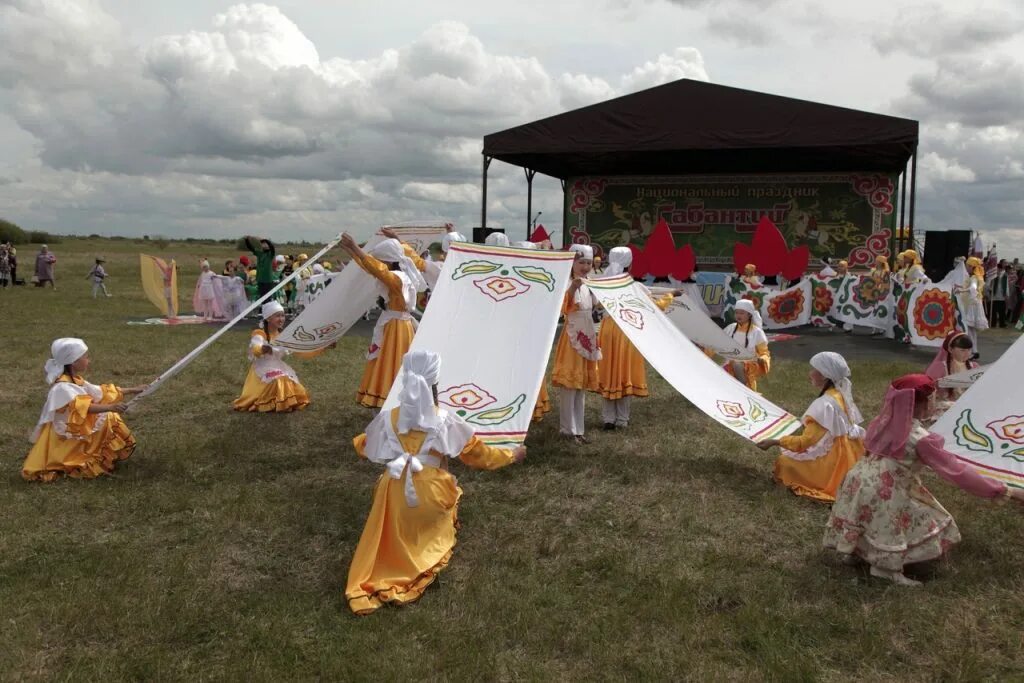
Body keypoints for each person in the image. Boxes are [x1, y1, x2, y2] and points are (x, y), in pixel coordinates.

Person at [345, 350, 526, 615]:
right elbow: (480, 456)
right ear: (435, 382)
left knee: (391, 510)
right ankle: (418, 549)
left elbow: (365, 446)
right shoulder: (443, 420)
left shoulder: (388, 419)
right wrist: (512, 455)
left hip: (393, 491)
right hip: (430, 494)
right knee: (443, 492)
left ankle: (391, 555)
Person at [823, 374, 1024, 586]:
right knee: (901, 522)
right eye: (932, 398)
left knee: (864, 516)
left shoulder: (884, 422)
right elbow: (957, 471)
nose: (934, 402)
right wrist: (1005, 490)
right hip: (887, 488)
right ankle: (885, 568)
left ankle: (855, 550)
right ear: (923, 402)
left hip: (859, 480)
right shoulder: (920, 439)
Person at [22, 338, 147, 481]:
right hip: (66, 435)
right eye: (86, 357)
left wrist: (132, 389)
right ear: (74, 361)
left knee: (108, 417)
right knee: (108, 417)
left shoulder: (75, 380)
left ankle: (93, 457)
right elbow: (85, 407)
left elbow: (99, 392)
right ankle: (78, 461)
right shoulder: (63, 387)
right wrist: (110, 407)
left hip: (73, 428)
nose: (89, 360)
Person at [757, 352, 865, 502]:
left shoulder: (824, 404)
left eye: (814, 370)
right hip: (847, 453)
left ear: (825, 375)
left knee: (784, 464)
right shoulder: (839, 394)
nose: (810, 374)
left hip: (833, 461)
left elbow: (804, 443)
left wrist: (775, 441)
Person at [339, 233, 426, 409]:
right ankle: (388, 393)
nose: (380, 263)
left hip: (397, 327)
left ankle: (390, 394)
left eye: (382, 260)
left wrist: (355, 247)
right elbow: (371, 268)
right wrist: (349, 249)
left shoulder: (398, 279)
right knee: (388, 359)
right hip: (395, 325)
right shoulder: (397, 275)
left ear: (389, 260)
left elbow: (377, 269)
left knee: (391, 360)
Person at [595, 246, 676, 431]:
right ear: (630, 264)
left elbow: (597, 305)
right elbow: (654, 307)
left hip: (607, 330)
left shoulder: (604, 283)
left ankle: (608, 418)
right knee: (625, 372)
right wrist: (670, 295)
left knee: (608, 371)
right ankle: (622, 419)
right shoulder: (635, 286)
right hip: (628, 332)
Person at [233, 302, 331, 412]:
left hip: (278, 366)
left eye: (283, 315)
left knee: (295, 386)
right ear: (268, 318)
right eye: (277, 316)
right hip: (262, 369)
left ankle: (282, 402)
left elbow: (302, 352)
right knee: (280, 379)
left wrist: (323, 347)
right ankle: (277, 403)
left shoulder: (284, 336)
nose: (281, 319)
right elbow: (256, 349)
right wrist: (262, 349)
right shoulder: (260, 333)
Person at [552, 244, 601, 443]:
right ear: (572, 263)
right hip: (573, 333)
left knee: (580, 386)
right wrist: (573, 288)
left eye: (588, 263)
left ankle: (579, 430)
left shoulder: (590, 282)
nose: (585, 266)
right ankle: (567, 429)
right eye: (581, 262)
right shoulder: (566, 283)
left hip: (588, 333)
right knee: (570, 385)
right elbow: (563, 307)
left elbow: (597, 304)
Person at [712, 299, 770, 391]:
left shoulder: (756, 332)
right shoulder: (731, 328)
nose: (738, 315)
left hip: (749, 364)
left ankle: (744, 390)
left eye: (742, 313)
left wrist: (763, 359)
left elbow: (764, 352)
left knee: (737, 365)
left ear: (749, 315)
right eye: (737, 313)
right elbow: (717, 342)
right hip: (730, 362)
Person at [925, 331, 978, 406]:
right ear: (950, 349)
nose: (967, 354)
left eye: (969, 350)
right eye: (962, 350)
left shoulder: (974, 366)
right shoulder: (939, 368)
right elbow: (929, 392)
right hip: (945, 407)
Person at [988, 260, 1010, 328]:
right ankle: (993, 323)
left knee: (1002, 311)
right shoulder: (994, 275)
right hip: (994, 295)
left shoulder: (1005, 275)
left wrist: (1007, 294)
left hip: (1001, 295)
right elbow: (989, 283)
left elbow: (1007, 285)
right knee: (993, 310)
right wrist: (990, 288)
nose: (999, 270)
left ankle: (1002, 323)